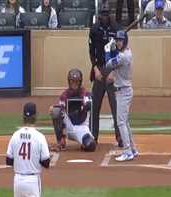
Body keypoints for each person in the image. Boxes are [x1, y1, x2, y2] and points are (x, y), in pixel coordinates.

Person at [88, 2, 122, 147]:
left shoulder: (116, 28)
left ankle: (120, 137)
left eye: (107, 14)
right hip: (99, 68)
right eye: (103, 14)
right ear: (99, 15)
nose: (105, 17)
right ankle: (93, 137)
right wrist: (95, 68)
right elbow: (91, 51)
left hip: (112, 69)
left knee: (116, 106)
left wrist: (113, 71)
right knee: (94, 106)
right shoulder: (94, 29)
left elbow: (120, 53)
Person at [105, 30, 138, 162]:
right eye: (117, 40)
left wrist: (107, 50)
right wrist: (113, 48)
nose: (118, 42)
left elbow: (109, 64)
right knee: (125, 122)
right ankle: (132, 149)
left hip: (123, 91)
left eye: (120, 40)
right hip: (122, 91)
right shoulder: (124, 53)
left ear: (125, 41)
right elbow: (115, 57)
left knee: (121, 122)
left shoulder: (124, 56)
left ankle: (127, 151)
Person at [49, 68, 97, 152]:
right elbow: (60, 108)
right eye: (72, 81)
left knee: (90, 145)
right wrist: (54, 107)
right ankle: (61, 140)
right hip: (69, 125)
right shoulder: (64, 95)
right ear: (69, 81)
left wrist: (87, 104)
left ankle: (83, 141)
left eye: (76, 81)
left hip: (81, 127)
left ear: (80, 82)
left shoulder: (85, 93)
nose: (74, 84)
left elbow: (88, 104)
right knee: (55, 111)